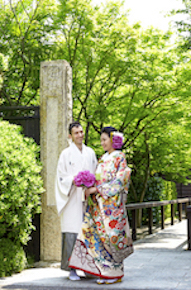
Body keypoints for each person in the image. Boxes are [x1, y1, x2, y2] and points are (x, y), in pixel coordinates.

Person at [69, 126, 133, 285]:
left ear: (113, 140)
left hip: (112, 206)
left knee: (111, 238)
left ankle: (115, 272)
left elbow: (120, 181)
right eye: (101, 140)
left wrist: (97, 189)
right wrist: (89, 186)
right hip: (99, 203)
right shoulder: (103, 158)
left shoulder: (120, 157)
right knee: (92, 233)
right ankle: (106, 271)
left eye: (104, 140)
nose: (102, 143)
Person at [55, 121, 98, 281]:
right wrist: (74, 180)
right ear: (70, 135)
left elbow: (95, 174)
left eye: (81, 132)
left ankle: (88, 269)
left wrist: (90, 185)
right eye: (76, 133)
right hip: (72, 198)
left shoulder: (90, 153)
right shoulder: (65, 154)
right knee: (72, 232)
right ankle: (71, 269)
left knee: (87, 232)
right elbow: (60, 177)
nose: (79, 135)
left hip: (87, 198)